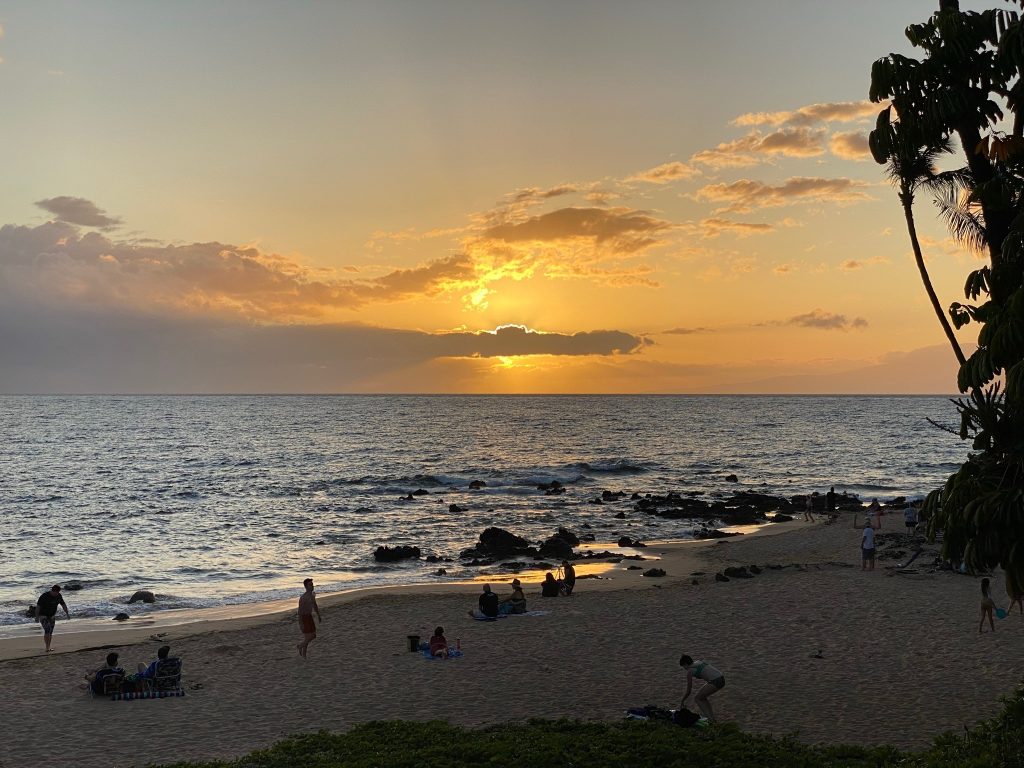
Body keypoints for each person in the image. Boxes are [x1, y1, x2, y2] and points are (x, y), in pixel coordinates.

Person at [679, 654, 725, 721]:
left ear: (685, 664)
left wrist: (682, 701)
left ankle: (710, 719)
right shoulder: (698, 662)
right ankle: (711, 718)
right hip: (721, 678)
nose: (684, 668)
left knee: (697, 698)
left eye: (683, 666)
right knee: (702, 697)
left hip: (716, 681)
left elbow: (689, 691)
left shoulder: (690, 671)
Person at [36, 584, 69, 653]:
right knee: (47, 630)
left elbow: (63, 604)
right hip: (43, 615)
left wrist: (67, 613)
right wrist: (37, 617)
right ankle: (47, 648)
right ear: (52, 591)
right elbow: (38, 607)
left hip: (52, 616)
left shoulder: (59, 596)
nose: (56, 594)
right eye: (55, 593)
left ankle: (48, 647)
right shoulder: (44, 596)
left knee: (50, 632)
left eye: (58, 592)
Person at [296, 577, 321, 658]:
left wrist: (318, 615)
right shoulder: (303, 597)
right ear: (306, 587)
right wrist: (301, 623)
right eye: (310, 585)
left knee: (311, 636)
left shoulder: (312, 595)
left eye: (312, 585)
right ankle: (300, 646)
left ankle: (304, 655)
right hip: (304, 618)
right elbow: (299, 612)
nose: (312, 586)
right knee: (311, 636)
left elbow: (315, 605)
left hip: (310, 617)